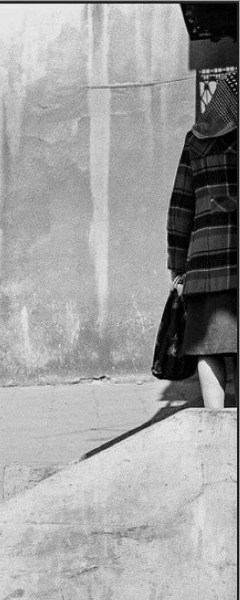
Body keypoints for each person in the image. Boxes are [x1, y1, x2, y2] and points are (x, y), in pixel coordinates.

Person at [167, 72, 238, 409]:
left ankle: (213, 428)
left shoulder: (194, 141)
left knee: (208, 350)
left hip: (204, 265)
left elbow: (180, 207)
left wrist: (177, 268)